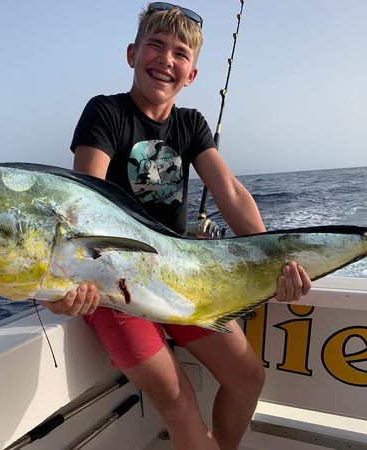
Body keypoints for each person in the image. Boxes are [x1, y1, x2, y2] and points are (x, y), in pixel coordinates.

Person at [43, 3, 312, 449]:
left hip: (177, 279)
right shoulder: (105, 112)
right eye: (156, 45)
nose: (166, 59)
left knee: (248, 378)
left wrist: (276, 259)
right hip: (113, 289)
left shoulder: (191, 124)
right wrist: (63, 286)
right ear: (132, 54)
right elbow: (83, 203)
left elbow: (230, 193)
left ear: (192, 75)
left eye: (180, 53)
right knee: (177, 398)